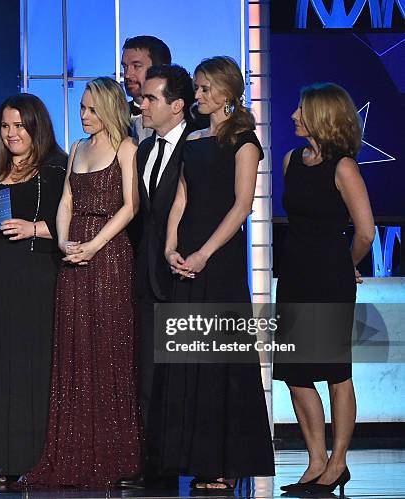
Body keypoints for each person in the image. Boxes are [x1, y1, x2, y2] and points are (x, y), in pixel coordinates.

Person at [159, 56, 275, 492]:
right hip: (186, 256)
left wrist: (205, 253)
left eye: (206, 88)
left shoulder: (243, 141)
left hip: (218, 259)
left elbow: (241, 206)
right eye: (198, 88)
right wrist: (171, 246)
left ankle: (228, 462)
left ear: (226, 93)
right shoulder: (194, 137)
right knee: (191, 358)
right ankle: (199, 459)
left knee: (221, 361)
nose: (199, 95)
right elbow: (181, 198)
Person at [23, 77, 141, 489]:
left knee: (108, 348)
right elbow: (66, 203)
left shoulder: (126, 147)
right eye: (82, 108)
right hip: (74, 256)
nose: (83, 115)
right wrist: (64, 241)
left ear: (109, 108)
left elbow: (130, 207)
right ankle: (73, 449)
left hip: (108, 256)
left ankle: (117, 454)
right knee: (75, 349)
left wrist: (93, 245)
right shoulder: (76, 149)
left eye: (91, 108)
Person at [0, 94, 67, 489]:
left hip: (36, 277)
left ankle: (34, 458)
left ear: (36, 126)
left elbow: (78, 222)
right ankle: (0, 460)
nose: (12, 133)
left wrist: (35, 227)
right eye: (6, 126)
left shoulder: (58, 167)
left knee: (30, 370)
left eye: (20, 126)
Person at [274, 83, 374, 496]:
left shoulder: (344, 166)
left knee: (335, 371)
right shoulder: (290, 160)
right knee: (294, 373)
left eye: (301, 109)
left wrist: (344, 266)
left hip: (330, 278)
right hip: (295, 275)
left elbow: (366, 232)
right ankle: (315, 460)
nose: (294, 115)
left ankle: (338, 462)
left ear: (321, 116)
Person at [117, 64, 195, 490]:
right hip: (145, 276)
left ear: (177, 105)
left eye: (150, 99)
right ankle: (152, 462)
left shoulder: (197, 148)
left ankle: (193, 459)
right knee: (147, 373)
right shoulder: (144, 151)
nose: (140, 104)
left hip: (185, 274)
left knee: (186, 372)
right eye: (141, 97)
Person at [121, 36, 171, 142]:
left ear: (160, 69)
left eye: (137, 66)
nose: (127, 75)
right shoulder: (116, 115)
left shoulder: (185, 117)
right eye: (125, 67)